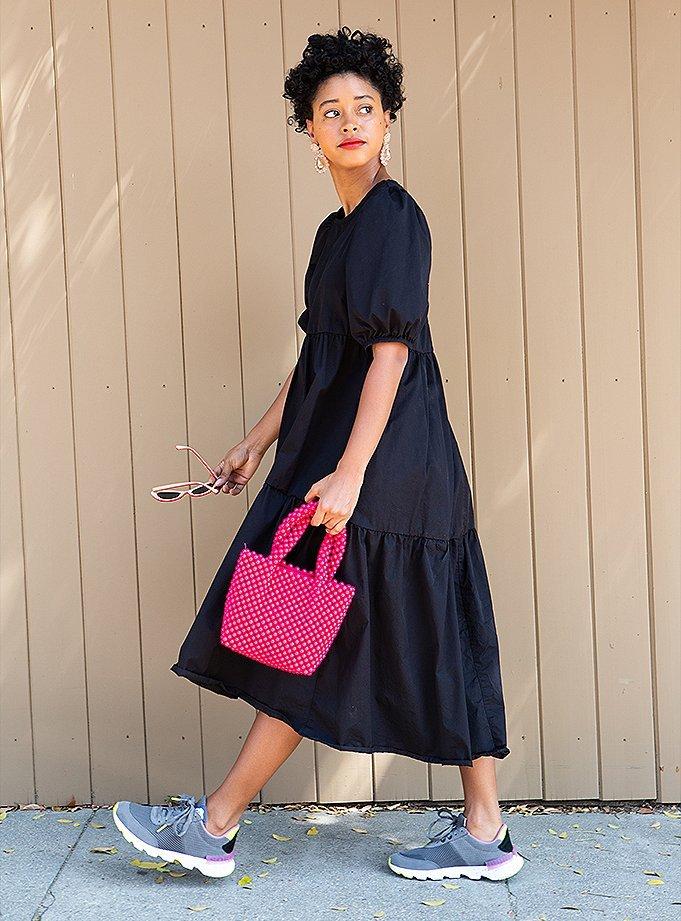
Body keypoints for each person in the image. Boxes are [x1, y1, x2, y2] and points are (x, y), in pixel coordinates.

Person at [113, 26, 523, 884]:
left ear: (388, 121)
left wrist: (350, 470)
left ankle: (216, 822)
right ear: (308, 130)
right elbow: (320, 356)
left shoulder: (392, 218)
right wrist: (254, 444)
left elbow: (389, 353)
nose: (347, 122)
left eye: (363, 108)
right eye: (328, 111)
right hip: (367, 460)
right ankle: (483, 829)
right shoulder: (336, 234)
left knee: (324, 633)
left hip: (388, 462)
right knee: (426, 629)